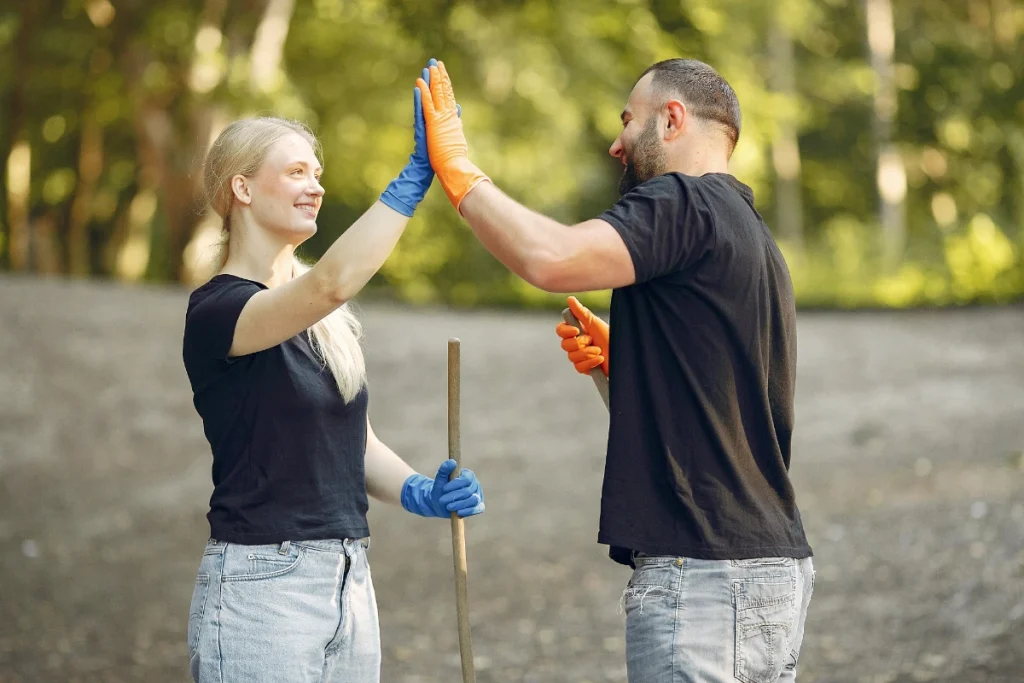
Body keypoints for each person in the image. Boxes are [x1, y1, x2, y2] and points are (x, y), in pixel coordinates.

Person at [416, 59, 814, 682]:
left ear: (673, 118)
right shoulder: (753, 237)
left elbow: (547, 260)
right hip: (767, 569)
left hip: (703, 576)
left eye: (629, 120)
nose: (617, 141)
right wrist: (623, 366)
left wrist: (458, 170)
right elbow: (714, 408)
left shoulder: (683, 201)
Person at [181, 61, 484, 683]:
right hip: (261, 590)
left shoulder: (328, 324)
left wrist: (419, 490)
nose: (315, 185)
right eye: (296, 171)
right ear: (241, 189)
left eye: (317, 173)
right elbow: (330, 283)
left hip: (348, 578)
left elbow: (353, 441)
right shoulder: (218, 311)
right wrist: (414, 179)